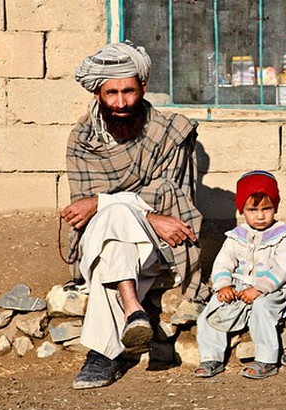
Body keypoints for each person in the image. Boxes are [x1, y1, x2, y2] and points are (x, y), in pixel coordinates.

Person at [61, 40, 209, 390]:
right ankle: (133, 310)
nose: (122, 102)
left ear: (142, 87)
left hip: (160, 244)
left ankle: (101, 356)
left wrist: (104, 202)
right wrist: (135, 210)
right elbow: (85, 216)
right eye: (111, 93)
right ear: (97, 93)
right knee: (113, 232)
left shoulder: (171, 132)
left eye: (129, 91)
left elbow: (171, 195)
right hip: (103, 241)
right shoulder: (82, 140)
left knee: (113, 219)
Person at [194, 170, 286, 379]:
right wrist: (223, 285)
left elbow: (282, 268)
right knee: (212, 309)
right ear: (242, 210)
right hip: (239, 288)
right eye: (253, 210)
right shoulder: (236, 236)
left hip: (271, 291)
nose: (260, 216)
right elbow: (223, 262)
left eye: (267, 209)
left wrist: (259, 289)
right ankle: (211, 357)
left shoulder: (285, 236)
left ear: (275, 207)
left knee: (262, 307)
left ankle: (267, 360)